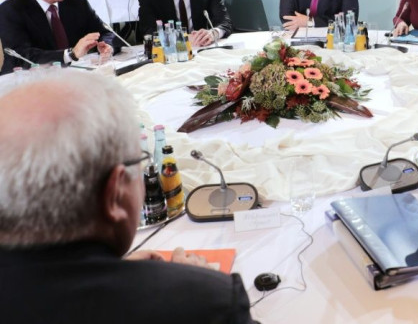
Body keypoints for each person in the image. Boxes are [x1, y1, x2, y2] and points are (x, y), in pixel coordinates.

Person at [0, 70, 256, 324]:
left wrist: (112, 268)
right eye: (141, 161)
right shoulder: (204, 302)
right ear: (115, 193)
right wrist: (191, 286)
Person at [0, 0, 113, 75]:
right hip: (25, 80)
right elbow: (22, 56)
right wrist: (70, 54)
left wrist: (107, 45)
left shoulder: (77, 2)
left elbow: (105, 32)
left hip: (74, 75)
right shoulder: (11, 9)